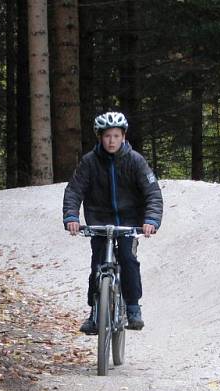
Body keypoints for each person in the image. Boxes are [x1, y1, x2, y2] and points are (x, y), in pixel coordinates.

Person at [62, 111, 163, 333]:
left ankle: (134, 308)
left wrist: (151, 220)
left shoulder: (135, 161)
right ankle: (94, 313)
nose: (112, 141)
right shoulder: (89, 162)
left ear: (124, 136)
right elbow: (74, 191)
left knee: (127, 259)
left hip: (129, 221)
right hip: (98, 220)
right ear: (100, 137)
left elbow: (152, 193)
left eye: (116, 136)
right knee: (97, 264)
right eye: (107, 136)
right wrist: (71, 217)